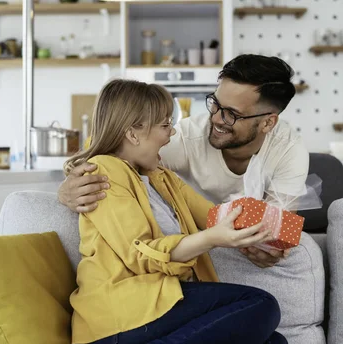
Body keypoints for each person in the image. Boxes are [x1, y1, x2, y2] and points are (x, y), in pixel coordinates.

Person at [65, 79, 288, 344]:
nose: (171, 133)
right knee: (262, 305)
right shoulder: (103, 172)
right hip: (116, 324)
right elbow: (139, 254)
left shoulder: (161, 177)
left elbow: (217, 216)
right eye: (165, 124)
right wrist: (212, 239)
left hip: (156, 315)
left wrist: (268, 232)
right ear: (132, 132)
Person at [59, 54, 309, 268]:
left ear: (268, 122)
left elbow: (279, 225)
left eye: (232, 114)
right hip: (188, 242)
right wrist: (68, 187)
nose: (218, 119)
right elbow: (114, 146)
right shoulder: (187, 139)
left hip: (222, 240)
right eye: (215, 104)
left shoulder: (289, 151)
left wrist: (270, 248)